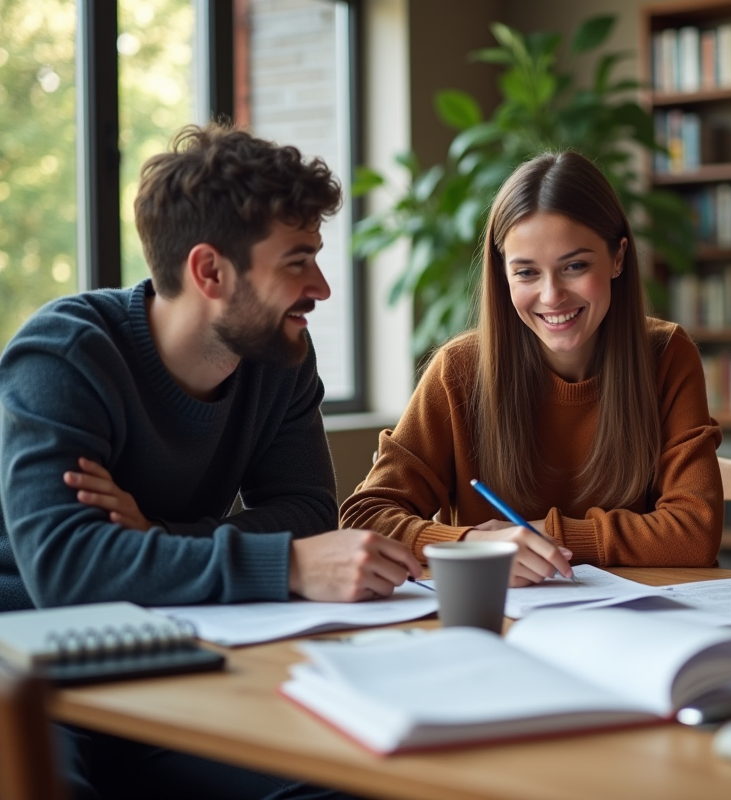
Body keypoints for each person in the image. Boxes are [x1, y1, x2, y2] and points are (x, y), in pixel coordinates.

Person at [0, 123, 419, 798]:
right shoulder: (64, 354)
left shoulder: (279, 360)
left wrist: (154, 541)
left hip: (180, 643)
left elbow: (310, 514)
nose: (321, 287)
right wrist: (282, 563)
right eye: (297, 261)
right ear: (209, 271)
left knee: (338, 783)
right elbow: (67, 573)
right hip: (27, 653)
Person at [340, 151, 723, 585]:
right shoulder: (459, 370)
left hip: (636, 622)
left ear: (618, 258)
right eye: (526, 273)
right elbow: (364, 518)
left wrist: (547, 535)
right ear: (503, 275)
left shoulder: (667, 355)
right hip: (500, 621)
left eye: (575, 266)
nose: (551, 295)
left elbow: (695, 531)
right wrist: (468, 544)